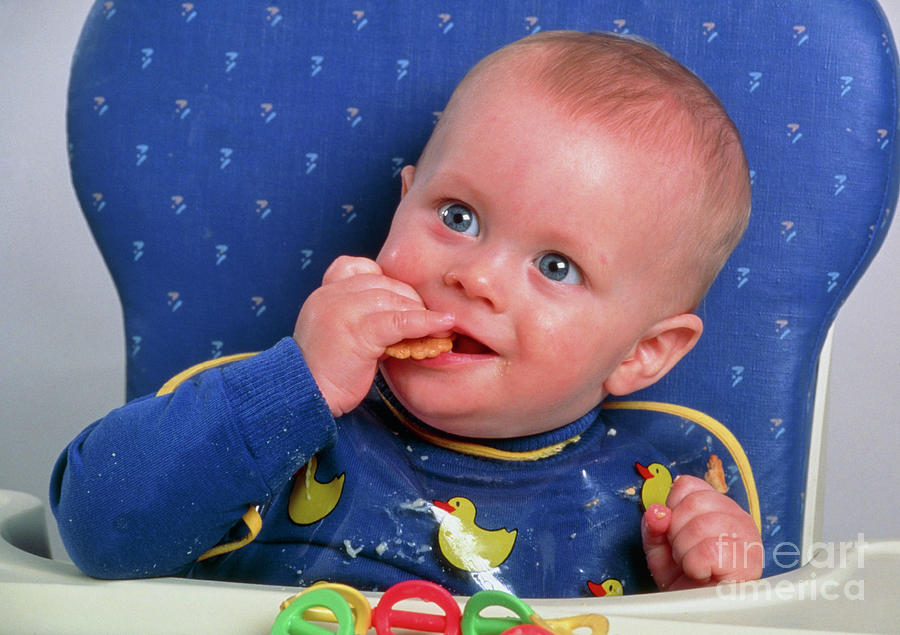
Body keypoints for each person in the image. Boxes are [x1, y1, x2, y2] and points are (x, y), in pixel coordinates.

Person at [51, 31, 760, 598]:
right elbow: (93, 529)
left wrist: (699, 596)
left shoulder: (668, 490)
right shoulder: (270, 414)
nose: (473, 275)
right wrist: (299, 387)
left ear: (644, 351)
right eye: (458, 216)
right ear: (404, 203)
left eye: (555, 266)